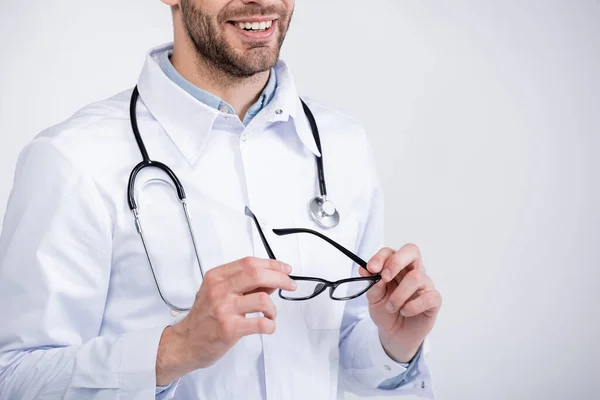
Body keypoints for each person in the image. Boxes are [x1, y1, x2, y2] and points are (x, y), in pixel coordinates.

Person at [0, 0, 442, 399]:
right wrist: (174, 350)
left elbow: (336, 351)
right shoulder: (72, 159)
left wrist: (394, 345)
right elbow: (13, 377)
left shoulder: (342, 144)